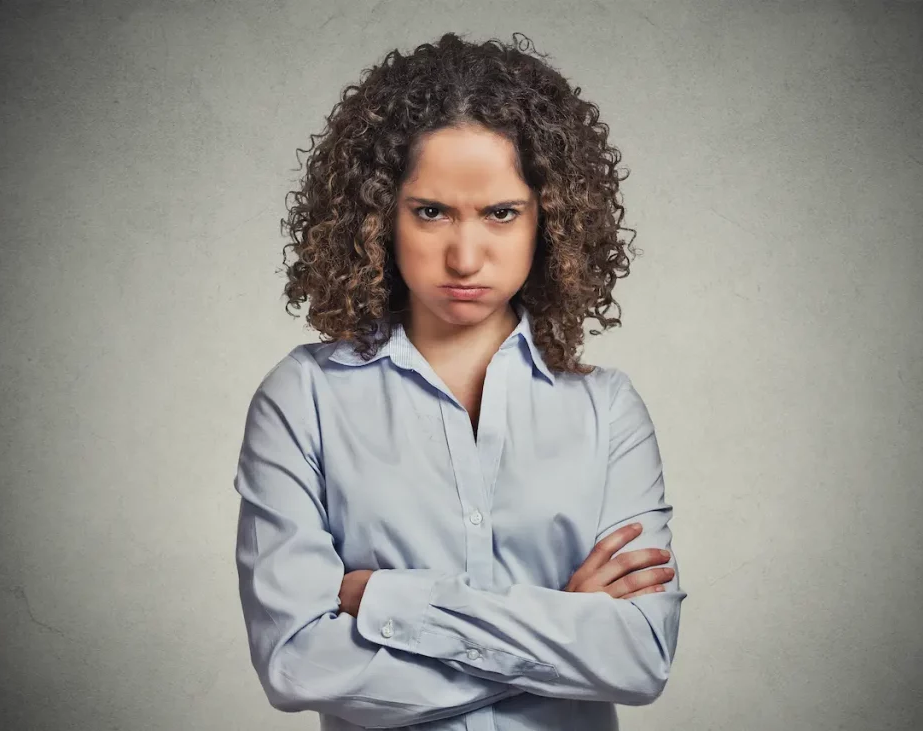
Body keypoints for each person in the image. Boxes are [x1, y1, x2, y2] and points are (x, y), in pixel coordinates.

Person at [232, 32, 687, 731]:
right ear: (378, 213)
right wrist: (564, 632)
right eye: (431, 211)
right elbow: (297, 661)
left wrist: (390, 604)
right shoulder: (303, 400)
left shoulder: (608, 411)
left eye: (501, 212)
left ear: (550, 219)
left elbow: (639, 656)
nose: (465, 255)